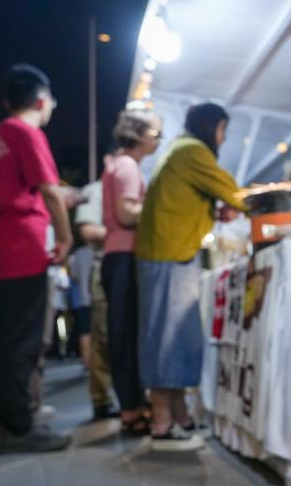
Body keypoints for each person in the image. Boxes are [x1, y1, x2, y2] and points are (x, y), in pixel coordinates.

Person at [136, 102, 245, 451]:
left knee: (178, 337)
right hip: (169, 255)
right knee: (167, 338)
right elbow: (234, 192)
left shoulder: (179, 149)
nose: (223, 138)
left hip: (169, 253)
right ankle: (162, 423)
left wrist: (214, 209)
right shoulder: (193, 151)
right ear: (211, 126)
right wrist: (240, 203)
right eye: (223, 130)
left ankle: (178, 415)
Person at [0, 64, 71, 452]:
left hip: (2, 247)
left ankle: (10, 418)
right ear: (41, 101)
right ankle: (18, 427)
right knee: (22, 341)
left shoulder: (1, 134)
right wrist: (65, 235)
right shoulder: (27, 132)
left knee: (6, 339)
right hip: (21, 249)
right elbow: (50, 190)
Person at [101, 109, 162, 435]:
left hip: (119, 256)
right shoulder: (126, 166)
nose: (157, 140)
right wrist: (157, 206)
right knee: (125, 333)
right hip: (124, 255)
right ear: (137, 135)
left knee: (126, 332)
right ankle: (130, 409)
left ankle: (133, 404)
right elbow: (126, 214)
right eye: (154, 134)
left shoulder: (121, 164)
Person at [73, 170, 120, 420]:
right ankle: (102, 398)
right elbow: (88, 230)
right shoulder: (95, 190)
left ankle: (129, 398)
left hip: (130, 265)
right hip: (105, 264)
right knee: (102, 334)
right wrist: (123, 232)